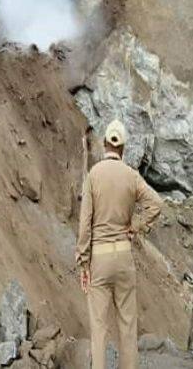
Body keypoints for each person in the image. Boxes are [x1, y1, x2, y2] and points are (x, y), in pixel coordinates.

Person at [76, 120, 163, 369]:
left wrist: (83, 264)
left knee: (99, 330)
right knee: (127, 327)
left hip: (99, 261)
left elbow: (84, 224)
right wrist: (135, 226)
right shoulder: (131, 176)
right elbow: (156, 204)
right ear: (123, 148)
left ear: (104, 144)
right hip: (124, 258)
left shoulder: (93, 175)